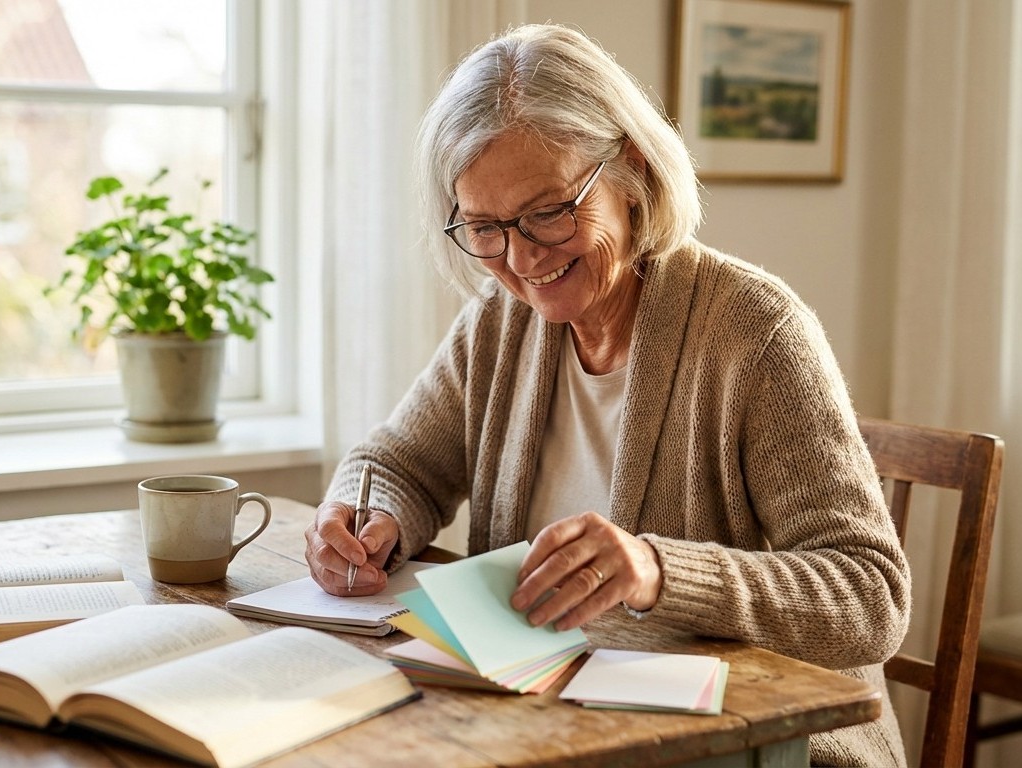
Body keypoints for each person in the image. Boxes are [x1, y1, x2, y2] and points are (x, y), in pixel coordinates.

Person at [303, 23, 911, 768]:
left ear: (629, 169)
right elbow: (401, 460)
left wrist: (657, 571)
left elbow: (868, 595)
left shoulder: (755, 332)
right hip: (552, 729)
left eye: (549, 212)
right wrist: (369, 518)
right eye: (486, 227)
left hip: (751, 746)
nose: (522, 260)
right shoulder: (500, 323)